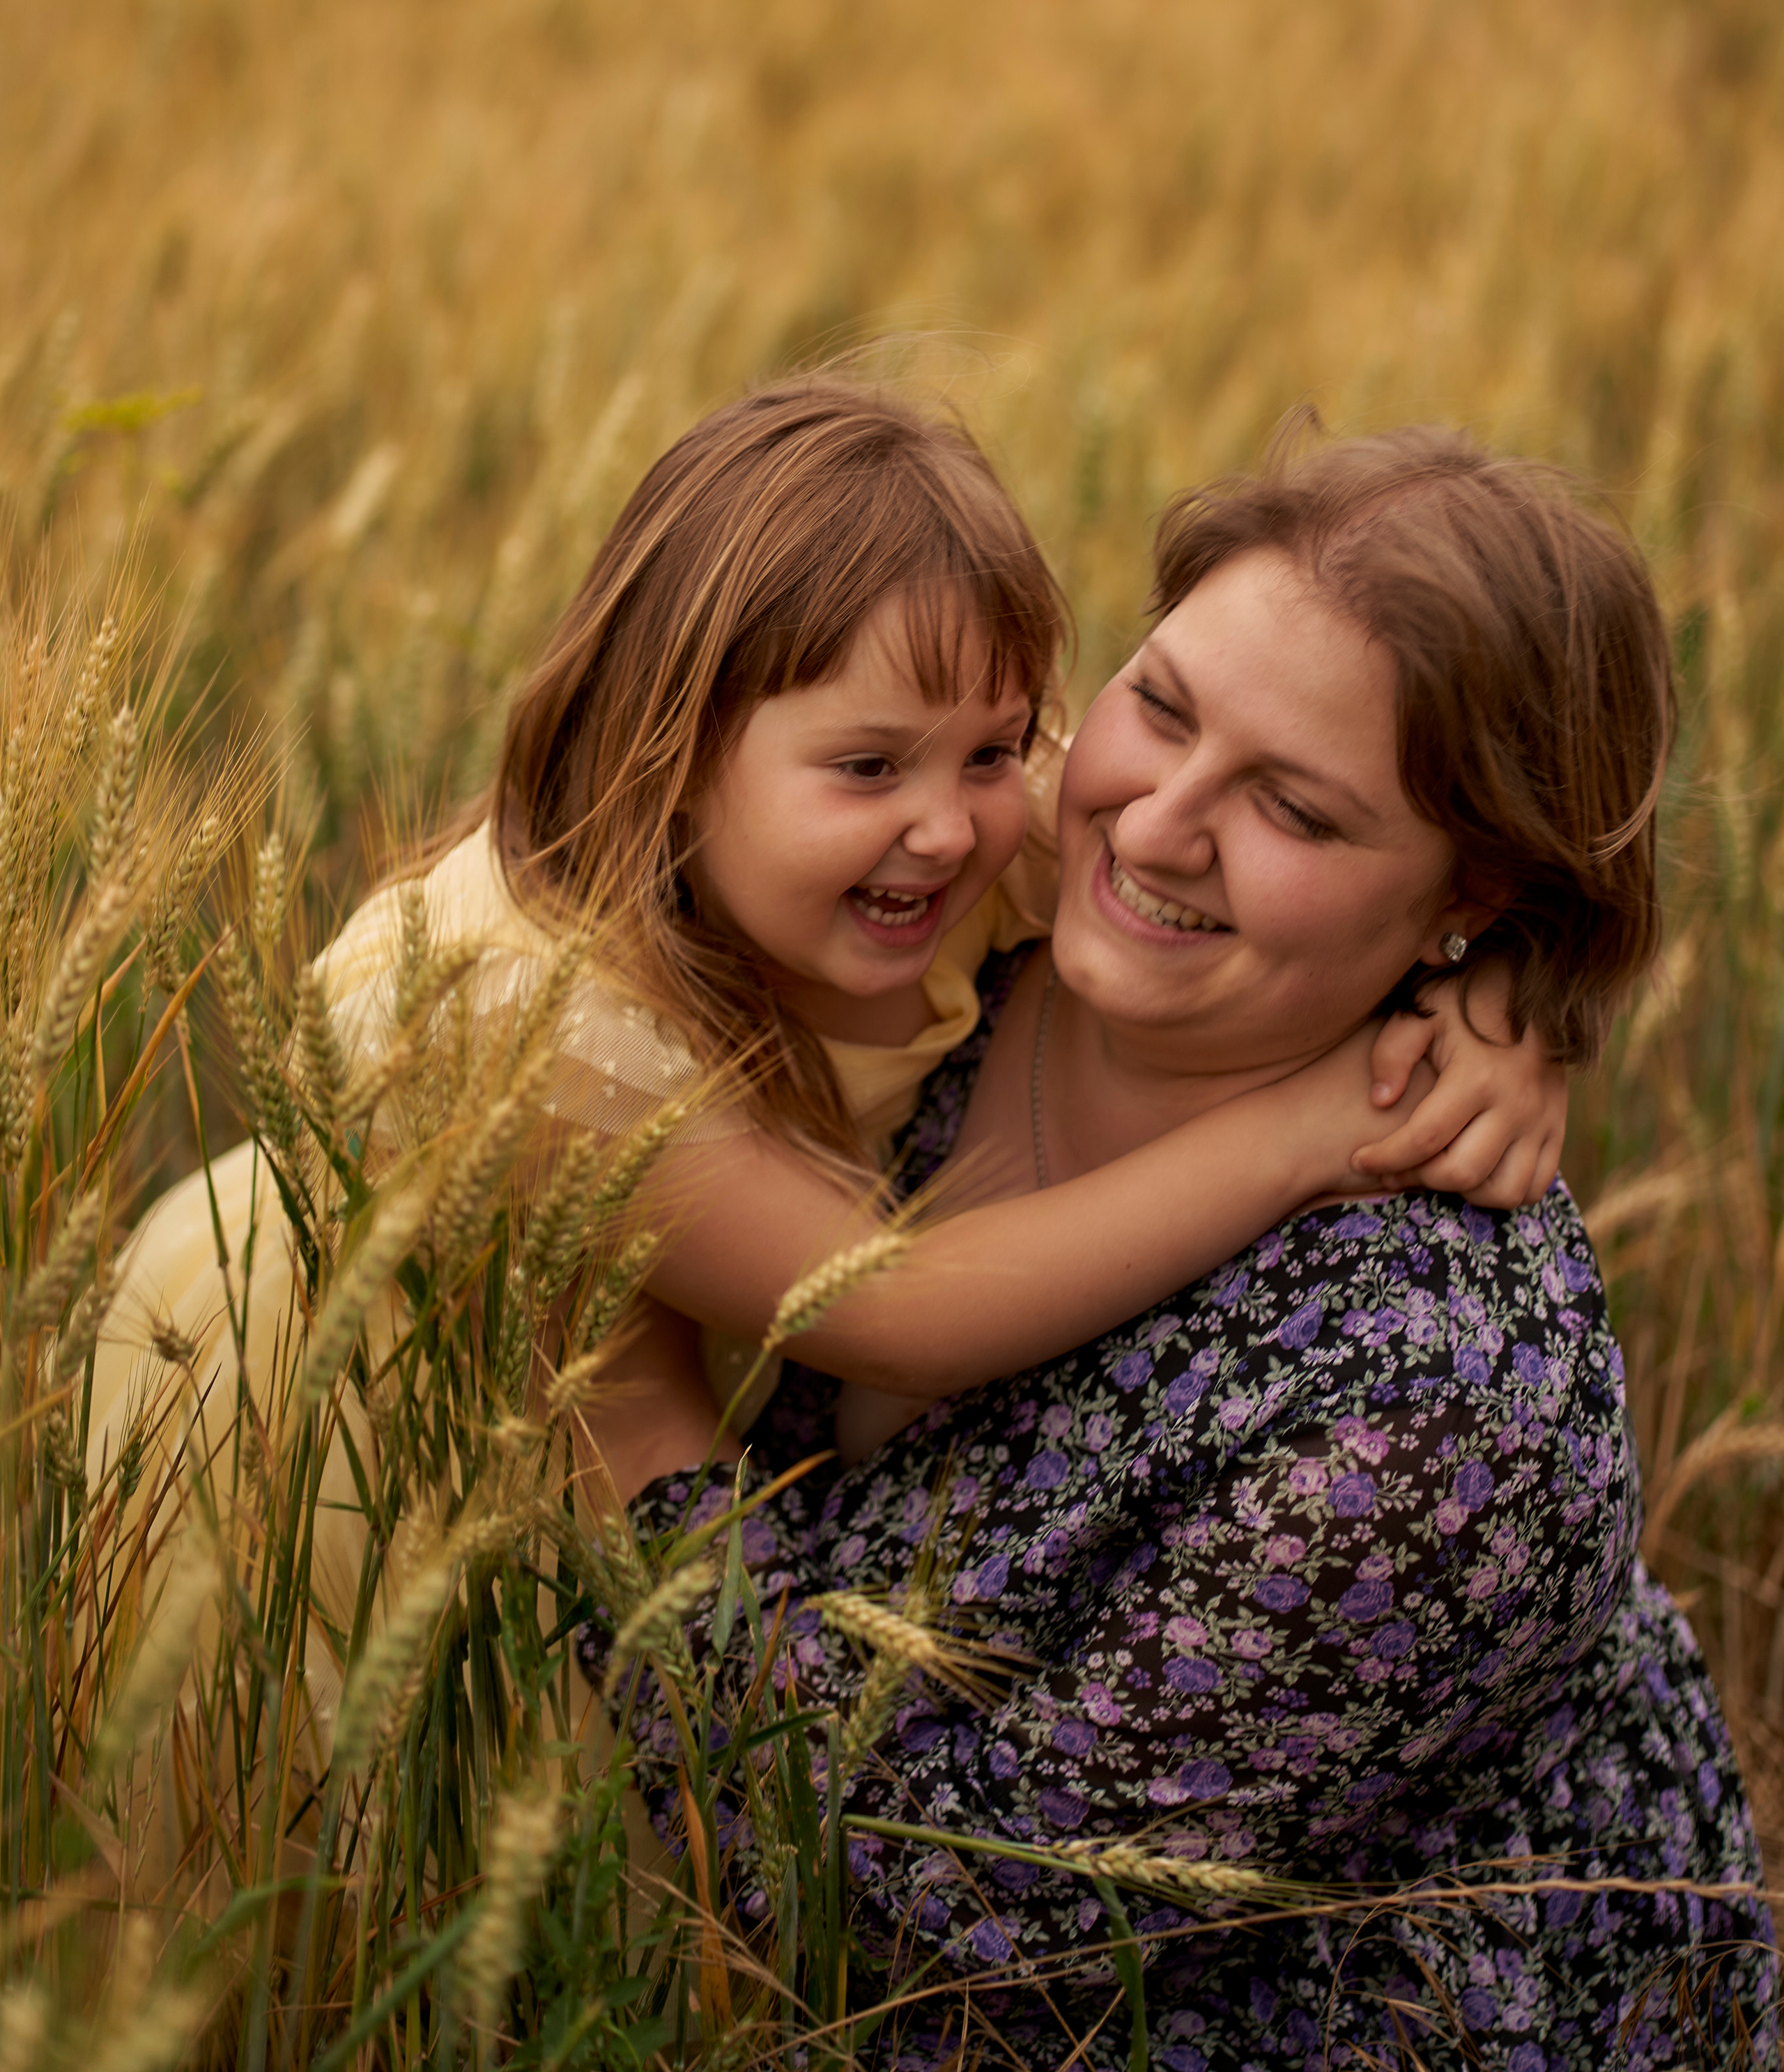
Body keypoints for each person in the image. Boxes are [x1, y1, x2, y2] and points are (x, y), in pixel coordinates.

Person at [89, 381, 1558, 1892]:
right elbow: (890, 1311)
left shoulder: (965, 820)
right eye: (868, 770)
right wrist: (1302, 1133)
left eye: (993, 752)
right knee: (313, 1865)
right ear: (671, 746)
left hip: (580, 1481)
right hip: (336, 1433)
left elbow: (1371, 858)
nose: (955, 825)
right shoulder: (527, 1017)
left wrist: (1500, 995)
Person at [614, 424, 1778, 2072]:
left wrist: (639, 1441)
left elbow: (969, 1931)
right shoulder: (958, 948)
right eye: (1155, 706)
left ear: (1472, 897)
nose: (1151, 824)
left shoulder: (1439, 1403)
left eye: (1291, 809)